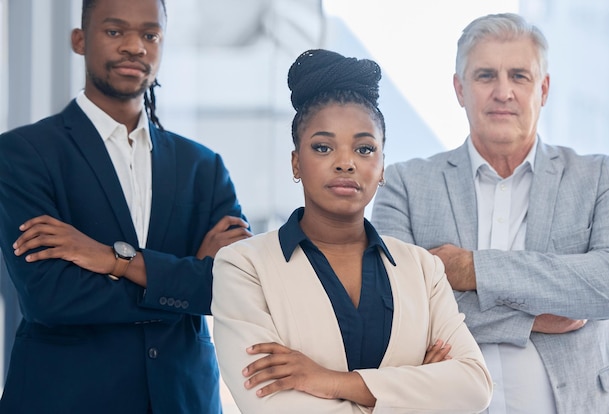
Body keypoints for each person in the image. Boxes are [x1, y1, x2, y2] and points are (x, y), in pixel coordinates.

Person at [0, 0, 252, 412]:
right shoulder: (23, 155)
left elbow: (231, 288)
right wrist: (182, 282)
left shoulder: (203, 167)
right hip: (66, 400)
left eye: (150, 35)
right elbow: (50, 297)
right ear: (79, 40)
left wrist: (111, 260)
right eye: (115, 32)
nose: (135, 47)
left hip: (182, 399)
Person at [211, 48, 492, 414]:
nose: (345, 163)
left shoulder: (422, 269)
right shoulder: (243, 267)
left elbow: (474, 387)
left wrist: (331, 382)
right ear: (296, 162)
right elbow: (274, 406)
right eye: (323, 147)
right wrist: (419, 388)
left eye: (364, 148)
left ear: (383, 166)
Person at [371, 12, 609, 414]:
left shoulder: (599, 177)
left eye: (519, 76)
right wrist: (527, 320)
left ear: (543, 89)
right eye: (486, 75)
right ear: (460, 88)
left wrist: (470, 269)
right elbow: (393, 307)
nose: (503, 91)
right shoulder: (403, 184)